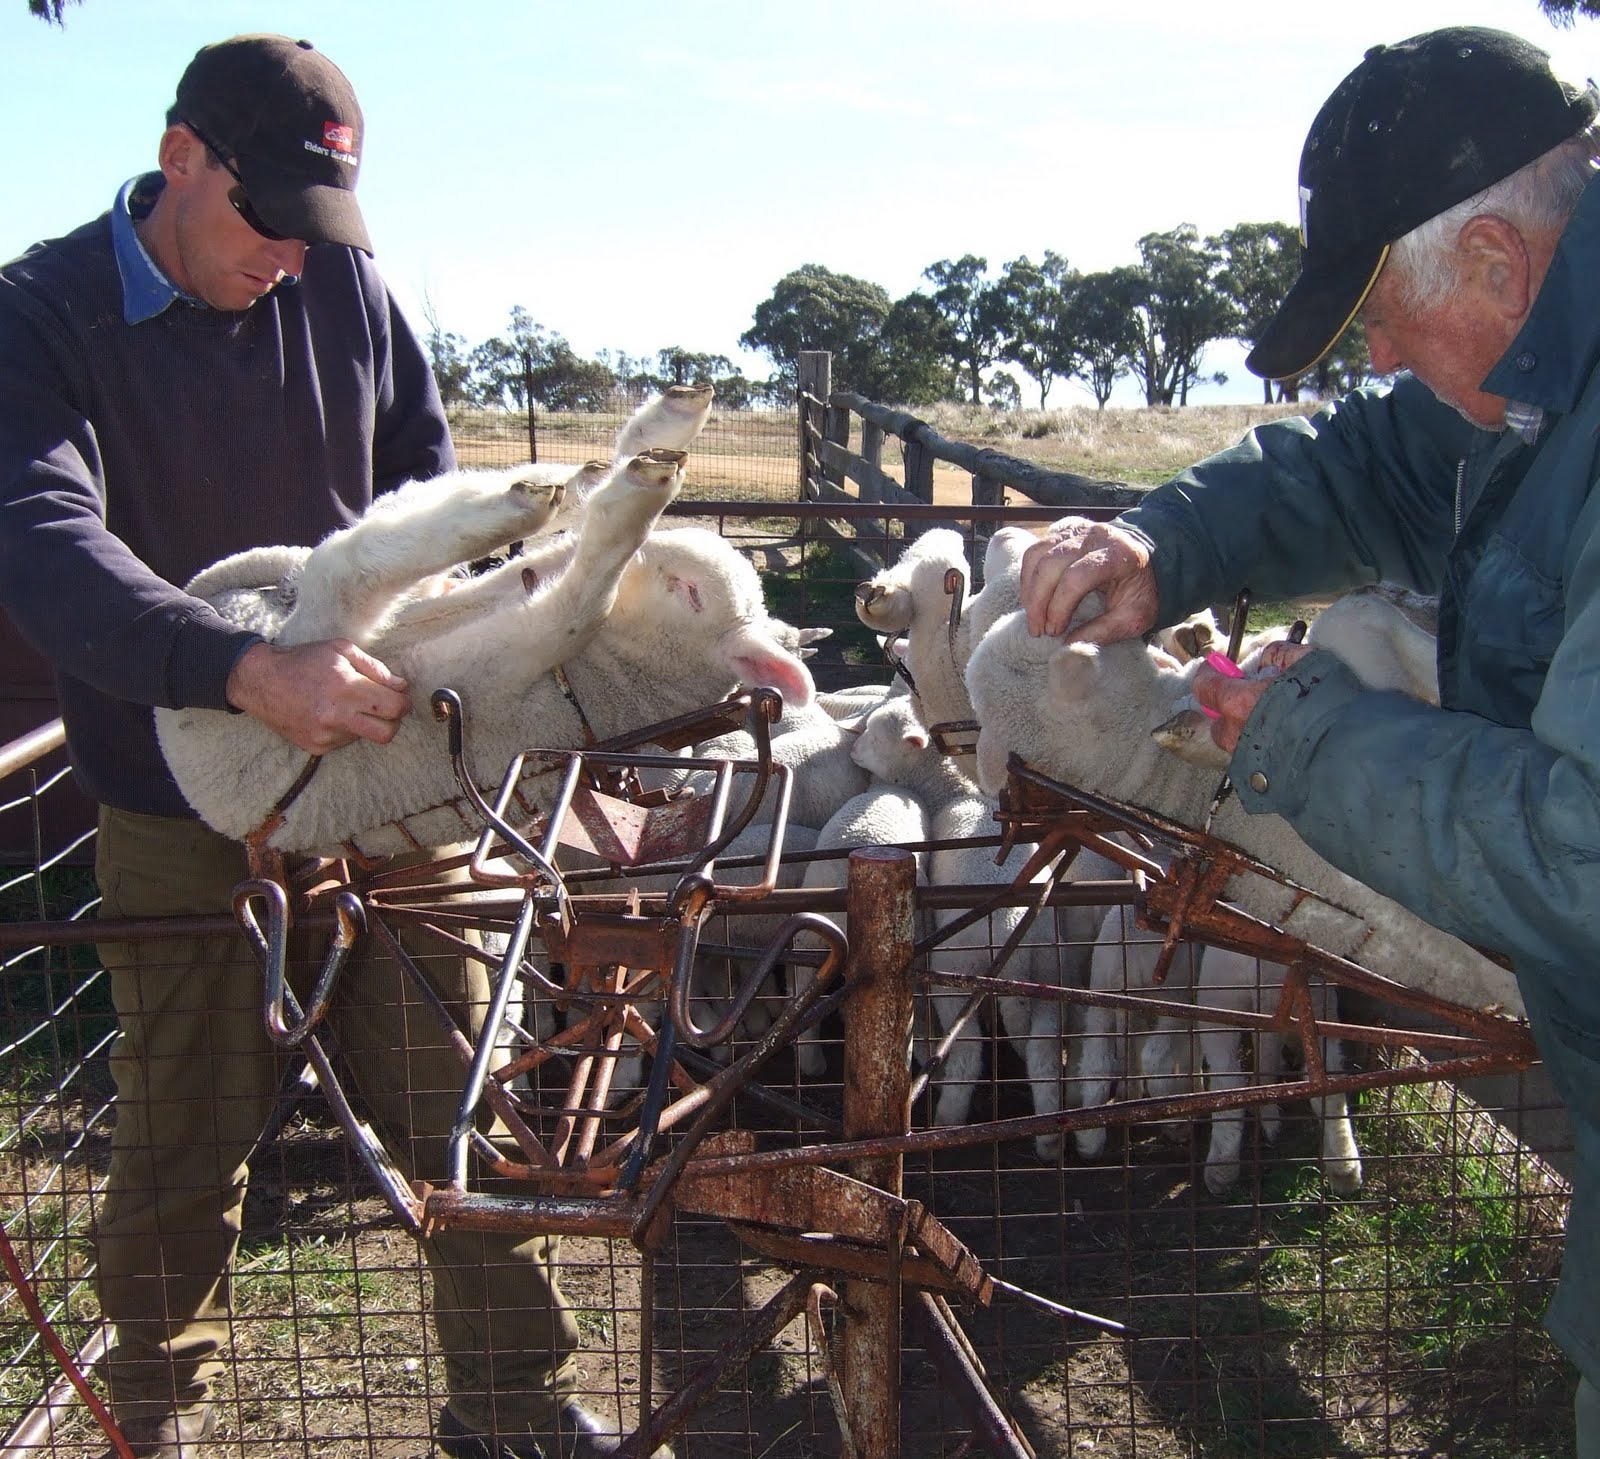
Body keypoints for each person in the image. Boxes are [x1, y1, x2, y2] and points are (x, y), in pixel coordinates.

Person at [0, 34, 666, 1459]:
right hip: (177, 799)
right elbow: (42, 541)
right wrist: (238, 669)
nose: (294, 262)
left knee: (459, 1092)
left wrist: (478, 639)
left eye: (324, 230)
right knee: (183, 1128)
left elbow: (429, 479)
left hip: (390, 769)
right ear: (183, 157)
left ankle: (515, 1398)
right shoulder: (39, 317)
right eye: (269, 222)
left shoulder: (343, 285)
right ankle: (157, 1413)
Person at [1017, 25, 1600, 1457]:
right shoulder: (1533, 384)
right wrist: (1167, 538)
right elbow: (1370, 456)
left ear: (1495, 263)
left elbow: (1588, 855)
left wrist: (1302, 730)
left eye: (1385, 317)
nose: (1380, 356)